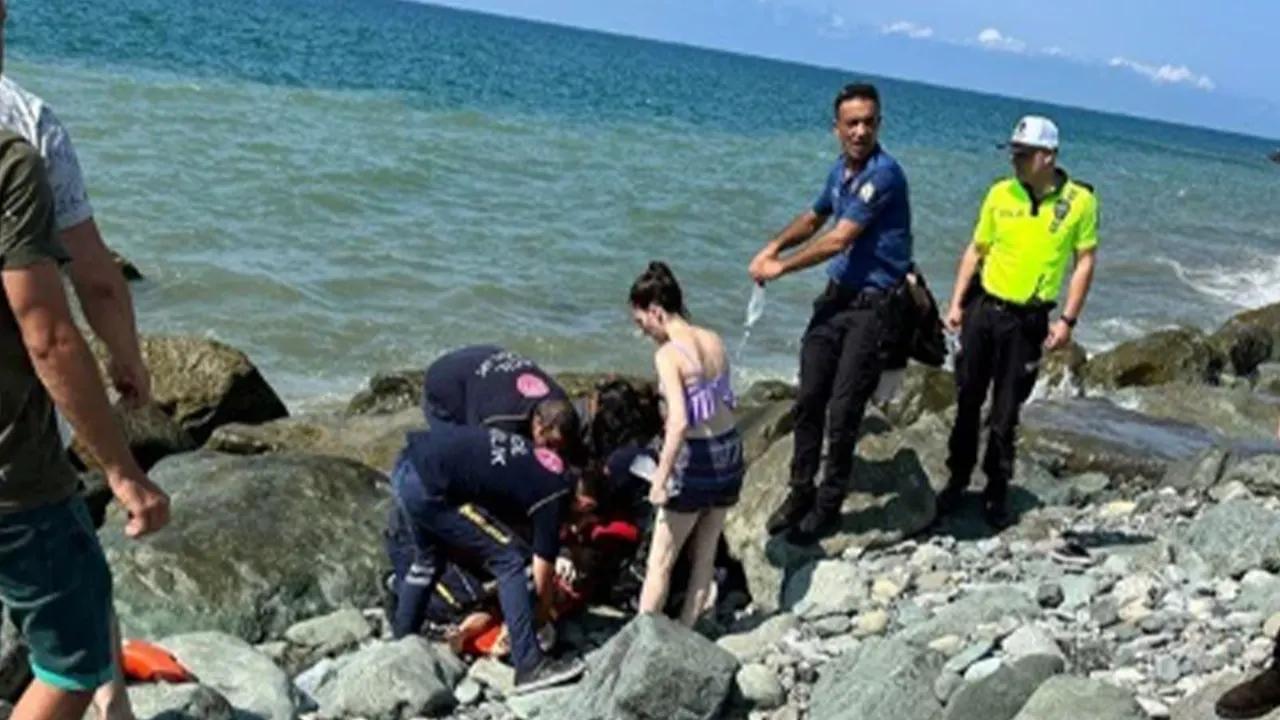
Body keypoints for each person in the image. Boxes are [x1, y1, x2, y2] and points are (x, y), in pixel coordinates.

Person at [2, 7, 152, 717]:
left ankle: (114, 705)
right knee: (73, 650)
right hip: (14, 439)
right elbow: (81, 293)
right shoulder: (26, 128)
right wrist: (127, 363)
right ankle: (109, 702)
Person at [748, 82, 914, 543]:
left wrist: (781, 267)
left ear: (879, 125)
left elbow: (840, 238)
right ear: (836, 127)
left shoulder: (884, 176)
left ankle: (828, 506)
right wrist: (773, 245)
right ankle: (800, 491)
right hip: (836, 299)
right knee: (809, 399)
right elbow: (814, 217)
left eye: (869, 122)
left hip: (874, 308)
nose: (860, 131)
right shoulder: (840, 171)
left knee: (843, 411)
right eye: (852, 123)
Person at [935, 115, 1098, 528]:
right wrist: (956, 303)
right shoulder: (1000, 193)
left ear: (1048, 156)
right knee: (968, 399)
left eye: (1024, 154)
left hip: (1028, 321)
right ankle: (956, 479)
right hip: (984, 309)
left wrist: (1068, 320)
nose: (1015, 160)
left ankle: (996, 488)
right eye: (1014, 153)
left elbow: (1084, 262)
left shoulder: (1079, 202)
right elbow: (976, 250)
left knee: (1006, 410)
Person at [386, 422, 588, 693]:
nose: (580, 525)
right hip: (431, 483)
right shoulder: (554, 493)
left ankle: (401, 644)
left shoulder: (540, 465)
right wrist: (542, 617)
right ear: (581, 502)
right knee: (510, 561)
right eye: (586, 514)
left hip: (408, 465)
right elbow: (541, 567)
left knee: (428, 561)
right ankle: (530, 665)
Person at [628, 262, 744, 627]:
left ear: (656, 311)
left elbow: (679, 422)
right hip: (730, 452)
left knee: (660, 561)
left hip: (697, 460)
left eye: (641, 321)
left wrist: (660, 480)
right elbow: (723, 399)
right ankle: (686, 630)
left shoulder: (668, 355)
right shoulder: (713, 339)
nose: (642, 330)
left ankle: (643, 639)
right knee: (704, 554)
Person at [423, 345, 579, 456]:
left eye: (559, 447)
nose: (553, 453)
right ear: (538, 425)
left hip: (483, 359)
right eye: (549, 444)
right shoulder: (502, 421)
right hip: (446, 381)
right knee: (457, 450)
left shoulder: (562, 404)